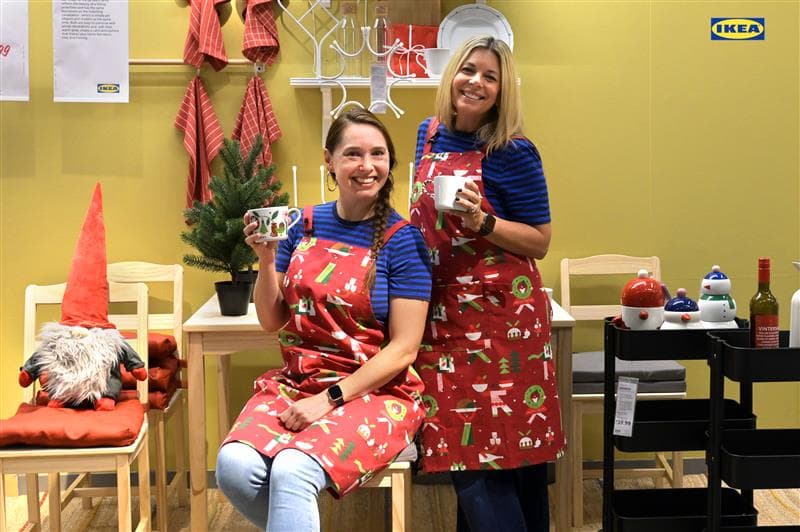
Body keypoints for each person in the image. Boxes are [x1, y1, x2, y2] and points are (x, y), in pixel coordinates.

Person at [216, 108, 432, 531]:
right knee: (233, 465)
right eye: (352, 154)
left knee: (293, 468)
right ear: (329, 161)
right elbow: (270, 319)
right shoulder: (301, 225)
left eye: (378, 154)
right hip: (297, 382)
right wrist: (264, 260)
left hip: (375, 392)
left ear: (390, 163)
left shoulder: (403, 241)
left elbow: (405, 348)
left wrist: (328, 399)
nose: (367, 166)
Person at [409, 36, 565, 532]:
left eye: (490, 77)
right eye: (469, 70)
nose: (476, 82)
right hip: (439, 322)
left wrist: (485, 223)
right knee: (466, 457)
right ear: (452, 74)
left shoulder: (512, 152)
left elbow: (539, 242)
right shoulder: (427, 134)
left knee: (502, 464)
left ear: (502, 92)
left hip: (503, 325)